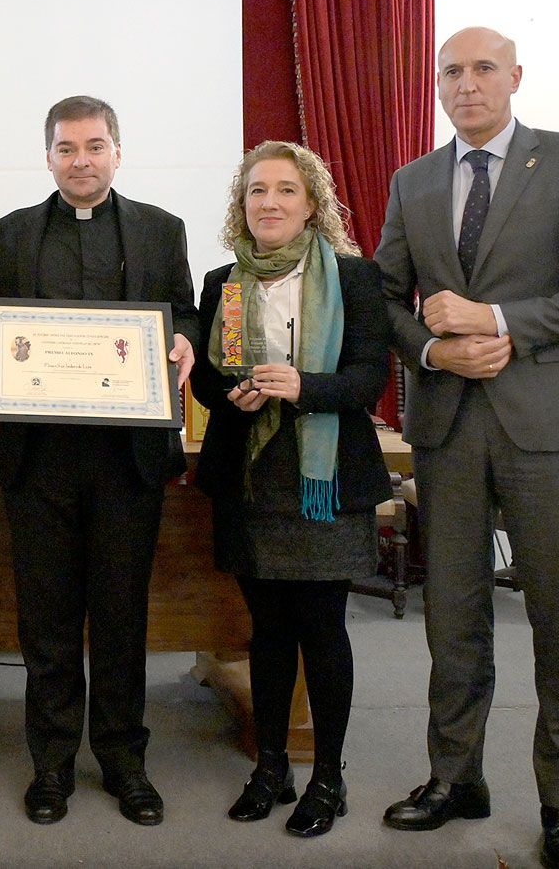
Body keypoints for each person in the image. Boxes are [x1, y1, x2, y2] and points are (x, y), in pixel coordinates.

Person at [377, 27, 559, 869]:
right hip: (448, 427)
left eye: (484, 68)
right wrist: (429, 350)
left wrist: (497, 324)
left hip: (554, 429)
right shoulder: (413, 181)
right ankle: (456, 778)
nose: (467, 83)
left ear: (515, 77)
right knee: (451, 618)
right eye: (450, 70)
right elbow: (383, 298)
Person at [0, 95, 196, 826]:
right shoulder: (7, 234)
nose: (81, 160)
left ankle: (126, 762)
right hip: (41, 464)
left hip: (128, 462)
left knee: (123, 620)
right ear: (50, 155)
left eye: (94, 146)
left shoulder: (161, 229)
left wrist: (184, 339)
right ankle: (52, 766)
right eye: (67, 148)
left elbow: (181, 312)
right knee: (48, 622)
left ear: (117, 152)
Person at [190, 141, 391, 838]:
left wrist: (306, 388)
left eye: (283, 190)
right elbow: (205, 383)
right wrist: (232, 393)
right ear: (240, 205)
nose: (268, 203)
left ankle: (328, 779)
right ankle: (270, 768)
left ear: (311, 203)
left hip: (322, 478)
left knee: (322, 630)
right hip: (250, 475)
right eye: (256, 191)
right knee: (266, 631)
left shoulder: (352, 277)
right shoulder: (225, 282)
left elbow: (370, 377)